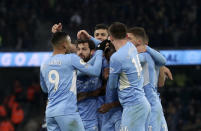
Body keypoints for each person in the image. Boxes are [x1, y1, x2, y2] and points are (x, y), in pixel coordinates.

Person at [40, 31, 106, 131]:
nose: (72, 45)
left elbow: (44, 89)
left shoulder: (44, 64)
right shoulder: (71, 58)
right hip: (67, 112)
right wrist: (100, 51)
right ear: (64, 45)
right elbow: (95, 71)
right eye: (70, 42)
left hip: (50, 113)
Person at [108, 22, 150, 131]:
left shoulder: (116, 57)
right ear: (126, 36)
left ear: (110, 37)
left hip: (133, 105)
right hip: (141, 102)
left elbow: (112, 85)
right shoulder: (131, 46)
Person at [127, 27, 166, 131]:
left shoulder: (144, 56)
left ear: (139, 42)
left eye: (129, 38)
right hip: (151, 103)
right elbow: (161, 82)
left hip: (150, 104)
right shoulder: (151, 57)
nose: (126, 41)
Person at [76, 39, 102, 131]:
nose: (80, 52)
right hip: (73, 121)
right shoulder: (72, 68)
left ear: (92, 52)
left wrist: (89, 36)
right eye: (78, 49)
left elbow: (104, 45)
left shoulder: (99, 65)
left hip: (91, 121)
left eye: (84, 49)